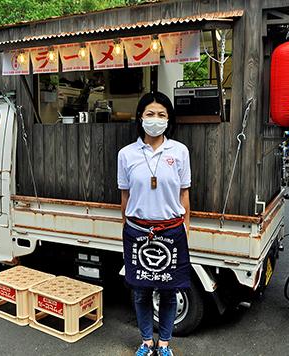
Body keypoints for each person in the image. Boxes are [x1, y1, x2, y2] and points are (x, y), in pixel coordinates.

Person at [117, 91, 191, 356]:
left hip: (172, 230)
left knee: (170, 291)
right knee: (141, 291)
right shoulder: (126, 154)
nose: (155, 119)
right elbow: (124, 196)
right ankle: (147, 341)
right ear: (140, 118)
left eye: (161, 114)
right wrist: (126, 226)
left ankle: (165, 344)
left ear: (168, 119)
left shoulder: (180, 152)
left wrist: (187, 228)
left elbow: (184, 193)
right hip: (137, 231)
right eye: (150, 114)